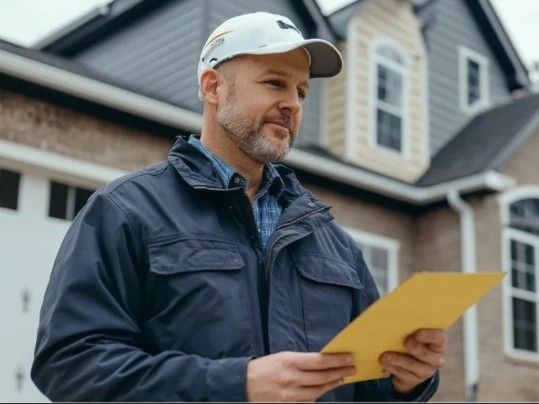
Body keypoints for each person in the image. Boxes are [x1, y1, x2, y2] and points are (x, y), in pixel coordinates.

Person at [32, 12, 446, 402]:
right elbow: (70, 366)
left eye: (301, 91)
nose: (293, 104)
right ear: (213, 87)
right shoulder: (124, 211)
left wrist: (406, 381)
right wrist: (236, 385)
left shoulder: (333, 243)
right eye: (274, 83)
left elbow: (361, 389)